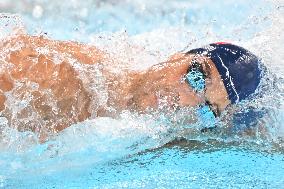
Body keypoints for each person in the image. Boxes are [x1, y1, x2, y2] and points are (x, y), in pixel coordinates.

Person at [0, 35, 262, 141]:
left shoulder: (147, 132)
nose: (184, 101)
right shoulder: (61, 77)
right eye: (195, 76)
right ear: (177, 56)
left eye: (207, 110)